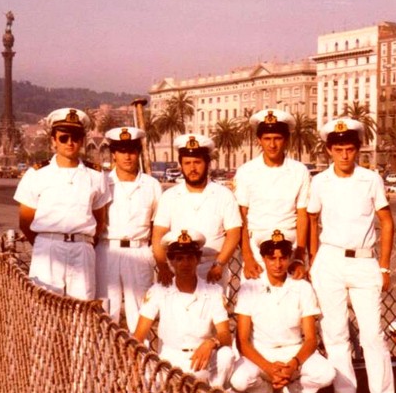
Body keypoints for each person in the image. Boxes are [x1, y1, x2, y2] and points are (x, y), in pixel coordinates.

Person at [307, 118, 396, 393]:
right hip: (329, 259)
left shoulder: (370, 179)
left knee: (372, 334)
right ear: (329, 151)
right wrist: (313, 260)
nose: (344, 155)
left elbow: (386, 222)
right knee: (334, 333)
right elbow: (311, 220)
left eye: (349, 149)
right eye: (338, 149)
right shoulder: (319, 181)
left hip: (364, 261)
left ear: (358, 149)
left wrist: (384, 268)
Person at [13, 107, 110, 300]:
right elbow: (25, 221)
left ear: (82, 140)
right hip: (48, 248)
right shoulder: (37, 174)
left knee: (81, 312)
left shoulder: (96, 175)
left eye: (75, 137)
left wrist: (82, 242)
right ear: (53, 141)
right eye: (63, 138)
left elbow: (100, 221)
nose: (70, 142)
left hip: (82, 250)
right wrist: (46, 243)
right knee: (44, 313)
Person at [230, 230, 335, 393]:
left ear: (290, 258)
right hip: (262, 352)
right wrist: (269, 368)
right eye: (272, 258)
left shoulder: (302, 287)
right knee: (239, 380)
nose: (278, 264)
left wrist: (293, 365)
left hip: (292, 351)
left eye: (283, 258)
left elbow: (310, 339)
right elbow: (242, 340)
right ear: (263, 258)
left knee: (326, 374)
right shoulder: (249, 287)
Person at [133, 229, 234, 389]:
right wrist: (134, 367)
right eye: (179, 259)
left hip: (201, 358)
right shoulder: (158, 291)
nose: (185, 264)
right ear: (171, 262)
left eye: (190, 258)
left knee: (226, 354)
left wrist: (211, 343)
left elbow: (225, 335)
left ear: (198, 259)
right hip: (170, 358)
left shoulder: (213, 291)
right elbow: (139, 334)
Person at [96, 126, 163, 331]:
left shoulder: (151, 185)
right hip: (108, 250)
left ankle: (142, 362)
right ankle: (105, 361)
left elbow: (157, 225)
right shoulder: (102, 182)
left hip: (139, 251)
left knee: (141, 314)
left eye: (132, 150)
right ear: (114, 154)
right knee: (106, 312)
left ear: (138, 153)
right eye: (122, 150)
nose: (127, 156)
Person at [152, 134, 241, 287]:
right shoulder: (169, 196)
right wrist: (163, 266)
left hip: (213, 268)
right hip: (178, 267)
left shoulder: (224, 195)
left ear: (207, 163)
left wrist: (219, 264)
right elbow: (158, 234)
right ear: (181, 165)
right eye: (187, 163)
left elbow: (233, 234)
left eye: (197, 162)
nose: (192, 168)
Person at [234, 109, 311, 280]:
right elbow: (241, 218)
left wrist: (299, 256)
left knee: (292, 303)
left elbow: (302, 215)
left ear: (287, 140)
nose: (272, 144)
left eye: (277, 138)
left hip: (289, 249)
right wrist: (247, 257)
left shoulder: (300, 171)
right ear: (259, 140)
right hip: (257, 249)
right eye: (267, 139)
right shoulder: (246, 171)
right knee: (254, 304)